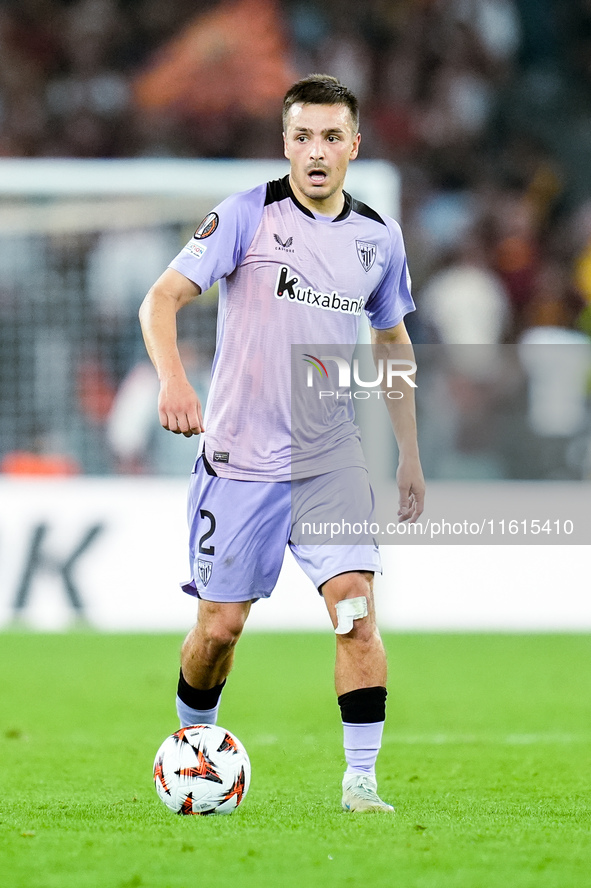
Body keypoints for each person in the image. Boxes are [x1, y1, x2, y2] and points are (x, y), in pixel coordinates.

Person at [139, 74, 425, 814]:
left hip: (329, 462)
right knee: (218, 629)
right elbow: (160, 300)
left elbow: (392, 341)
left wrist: (409, 455)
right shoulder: (244, 216)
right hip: (238, 461)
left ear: (354, 146)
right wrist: (174, 383)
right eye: (302, 136)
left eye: (332, 136)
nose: (316, 150)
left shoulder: (376, 238)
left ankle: (360, 785)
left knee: (354, 609)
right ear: (285, 143)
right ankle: (193, 743)